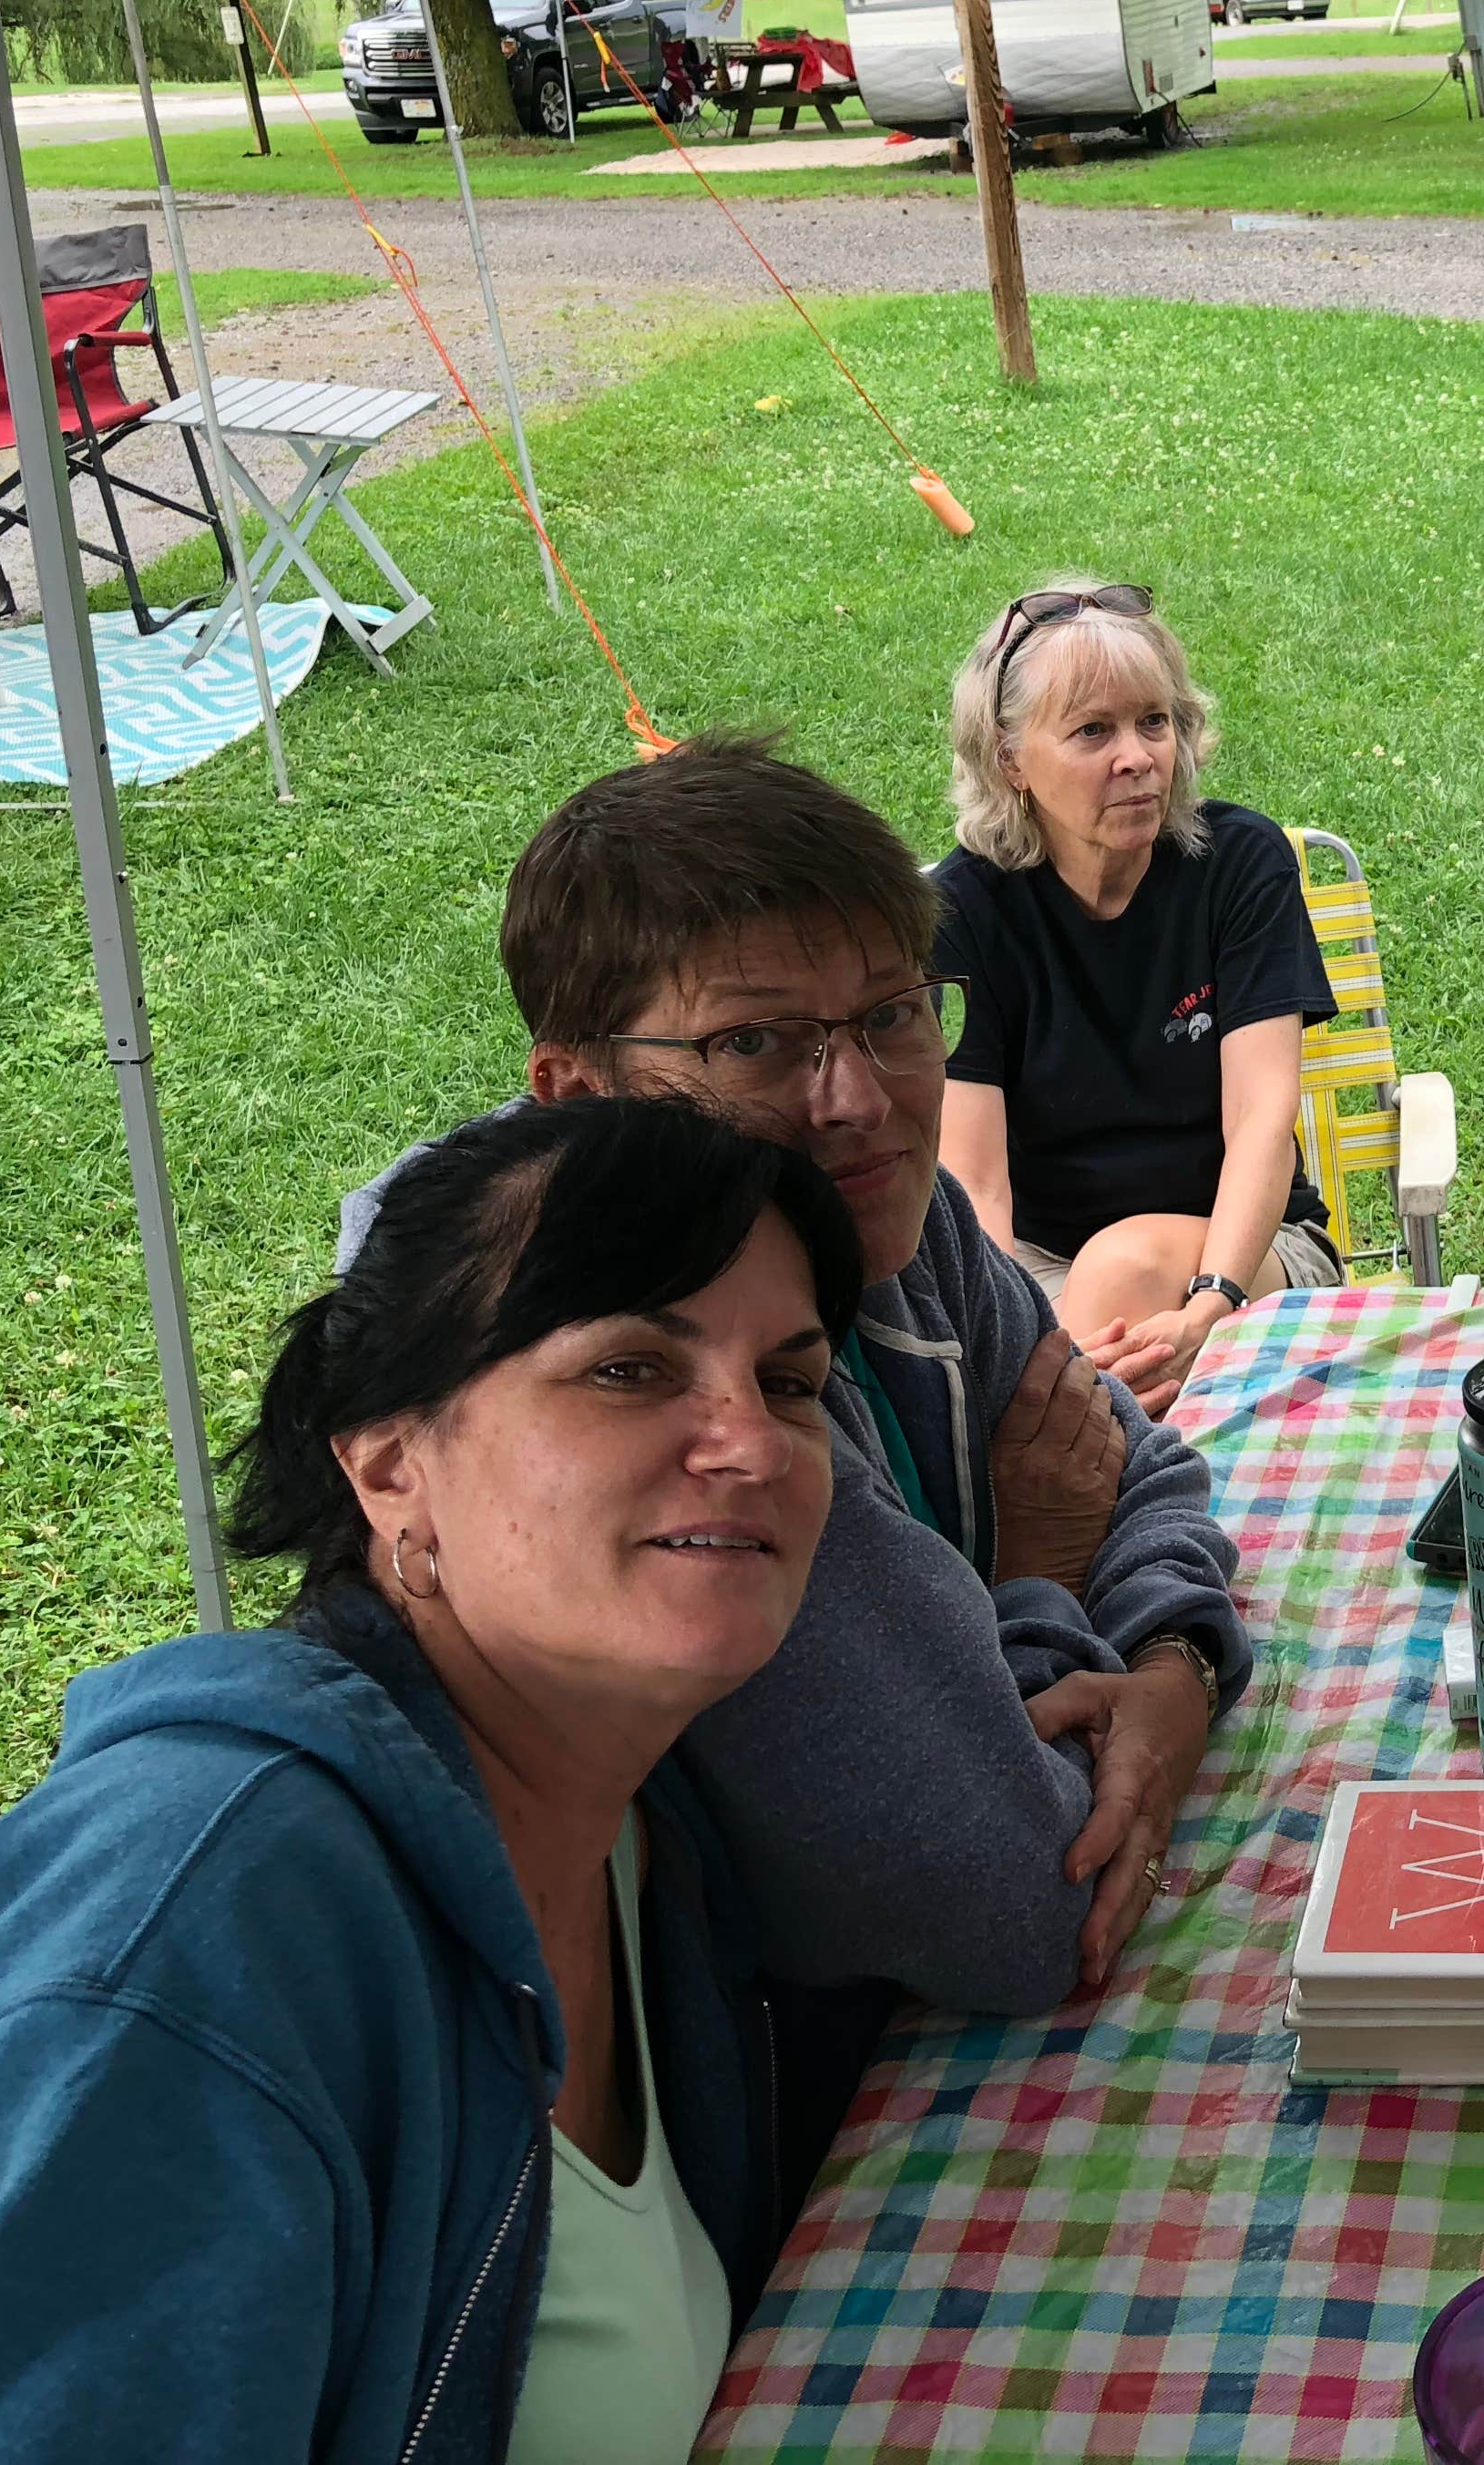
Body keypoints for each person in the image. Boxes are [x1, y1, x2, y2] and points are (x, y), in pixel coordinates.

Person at [0, 1099, 857, 2461]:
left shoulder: (645, 1826)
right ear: (390, 1462)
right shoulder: (191, 1940)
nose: (751, 1442)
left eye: (790, 1384)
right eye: (629, 1368)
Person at [345, 736, 1250, 2043]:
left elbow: (1133, 1463)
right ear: (579, 1094)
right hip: (769, 2087)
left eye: (892, 1013)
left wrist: (1173, 1668)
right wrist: (1040, 1570)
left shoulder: (895, 1221)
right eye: (755, 1042)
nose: (857, 1100)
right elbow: (1018, 1900)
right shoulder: (662, 1431)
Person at [935, 584, 1344, 1412]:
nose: (1138, 757)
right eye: (1093, 730)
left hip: (1252, 1255)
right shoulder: (965, 914)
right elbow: (974, 1184)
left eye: (1153, 722)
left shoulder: (1238, 866)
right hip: (1041, 1268)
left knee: (1119, 1282)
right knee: (1069, 1358)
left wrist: (1210, 1305)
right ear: (1011, 760)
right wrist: (1024, 1348)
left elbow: (1261, 1121)